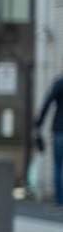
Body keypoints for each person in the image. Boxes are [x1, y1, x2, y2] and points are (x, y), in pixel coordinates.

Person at [35, 72, 63, 206]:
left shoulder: (59, 82)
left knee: (58, 166)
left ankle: (60, 200)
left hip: (59, 130)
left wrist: (39, 124)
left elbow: (47, 103)